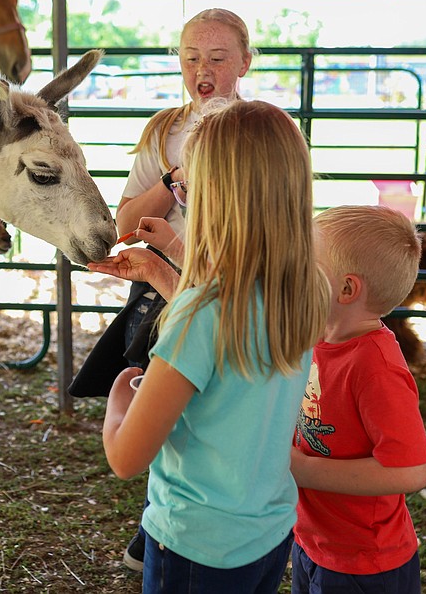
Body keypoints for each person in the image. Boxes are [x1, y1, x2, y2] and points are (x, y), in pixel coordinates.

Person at [93, 99, 329, 593]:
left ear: (217, 199)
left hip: (195, 547)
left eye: (184, 190)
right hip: (266, 532)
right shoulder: (303, 288)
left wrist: (120, 393)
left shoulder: (201, 315)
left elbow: (126, 457)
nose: (180, 199)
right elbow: (228, 332)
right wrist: (161, 268)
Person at [67, 7, 254, 571]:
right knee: (176, 404)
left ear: (244, 62)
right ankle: (165, 525)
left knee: (222, 403)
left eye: (218, 58)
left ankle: (186, 526)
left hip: (238, 285)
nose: (204, 69)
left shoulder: (266, 128)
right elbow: (126, 219)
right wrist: (178, 178)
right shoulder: (164, 132)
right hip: (171, 288)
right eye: (192, 57)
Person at [291, 205, 426, 594]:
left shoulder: (376, 367)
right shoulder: (320, 336)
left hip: (364, 564)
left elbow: (411, 471)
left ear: (347, 289)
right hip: (313, 541)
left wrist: (304, 470)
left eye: (307, 265)